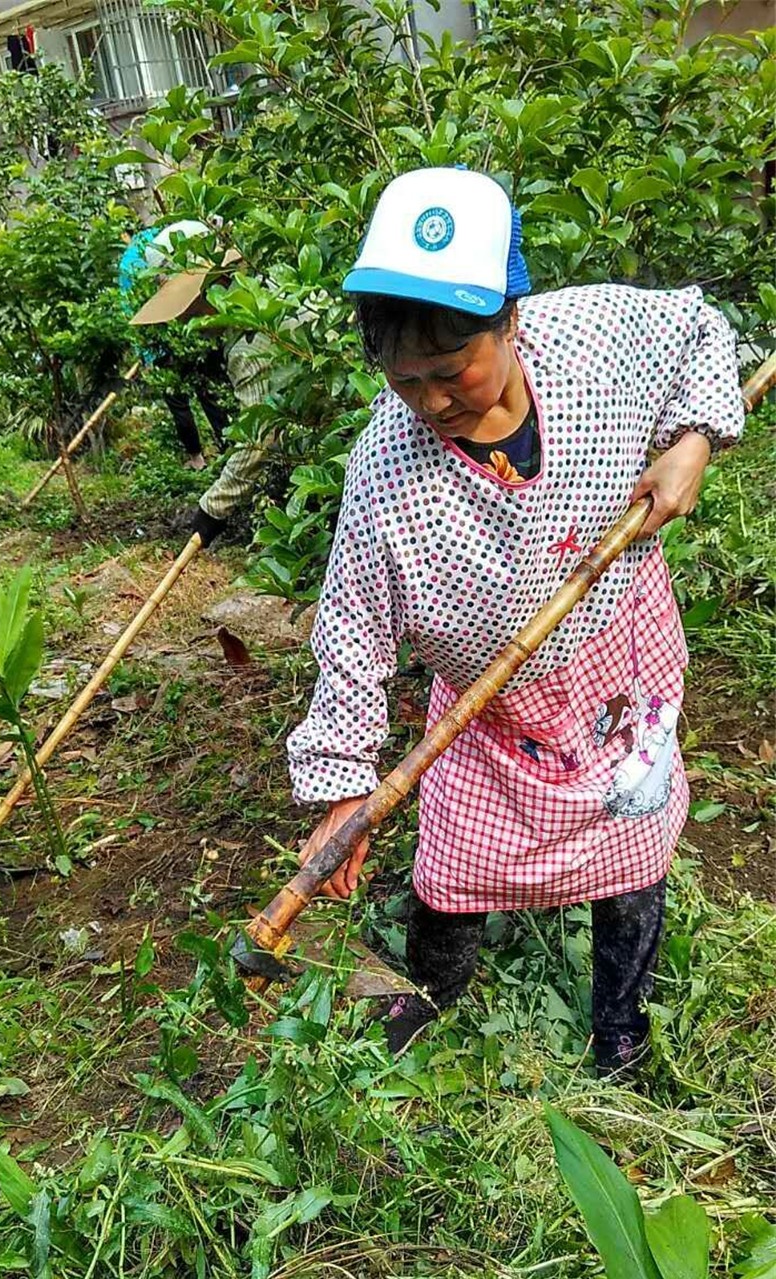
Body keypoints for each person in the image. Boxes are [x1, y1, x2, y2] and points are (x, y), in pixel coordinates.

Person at [287, 166, 745, 1077]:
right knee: (451, 864)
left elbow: (702, 327)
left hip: (619, 660)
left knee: (633, 835)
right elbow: (351, 634)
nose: (430, 402)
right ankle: (430, 1009)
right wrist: (345, 785)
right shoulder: (388, 470)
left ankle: (620, 1031)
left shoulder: (593, 338)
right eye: (403, 380)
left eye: (453, 372)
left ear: (511, 319)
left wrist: (692, 442)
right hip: (488, 711)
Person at [128, 226, 273, 547]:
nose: (182, 319)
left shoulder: (250, 345)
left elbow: (260, 440)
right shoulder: (270, 289)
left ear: (211, 288)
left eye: (187, 305)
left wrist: (212, 510)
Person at [119, 223, 236, 473]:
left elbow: (130, 306)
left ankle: (197, 458)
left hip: (165, 346)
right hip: (200, 341)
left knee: (179, 402)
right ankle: (230, 448)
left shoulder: (131, 260)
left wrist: (148, 355)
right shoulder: (171, 232)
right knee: (212, 394)